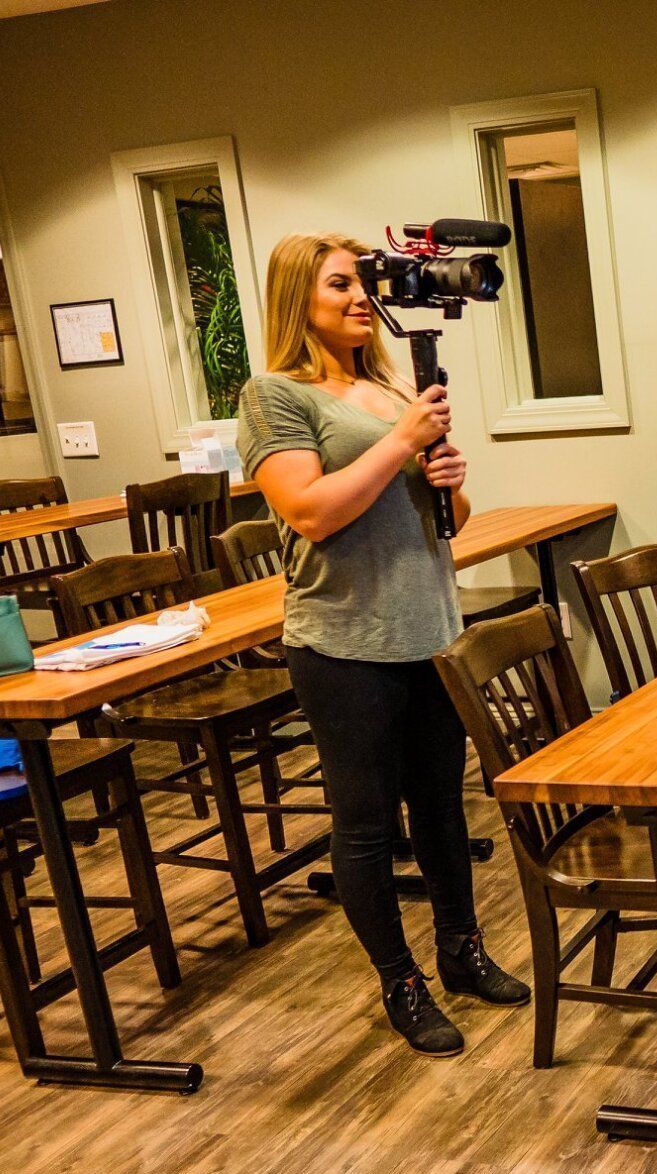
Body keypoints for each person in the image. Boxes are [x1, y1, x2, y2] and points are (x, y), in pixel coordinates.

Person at [237, 232, 528, 1057]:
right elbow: (311, 512)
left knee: (441, 805)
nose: (361, 297)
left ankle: (462, 949)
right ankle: (401, 981)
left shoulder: (387, 383)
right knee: (365, 824)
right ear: (300, 297)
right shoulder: (274, 396)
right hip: (343, 643)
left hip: (428, 631)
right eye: (340, 285)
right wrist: (403, 442)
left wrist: (449, 480)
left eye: (364, 282)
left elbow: (449, 526)